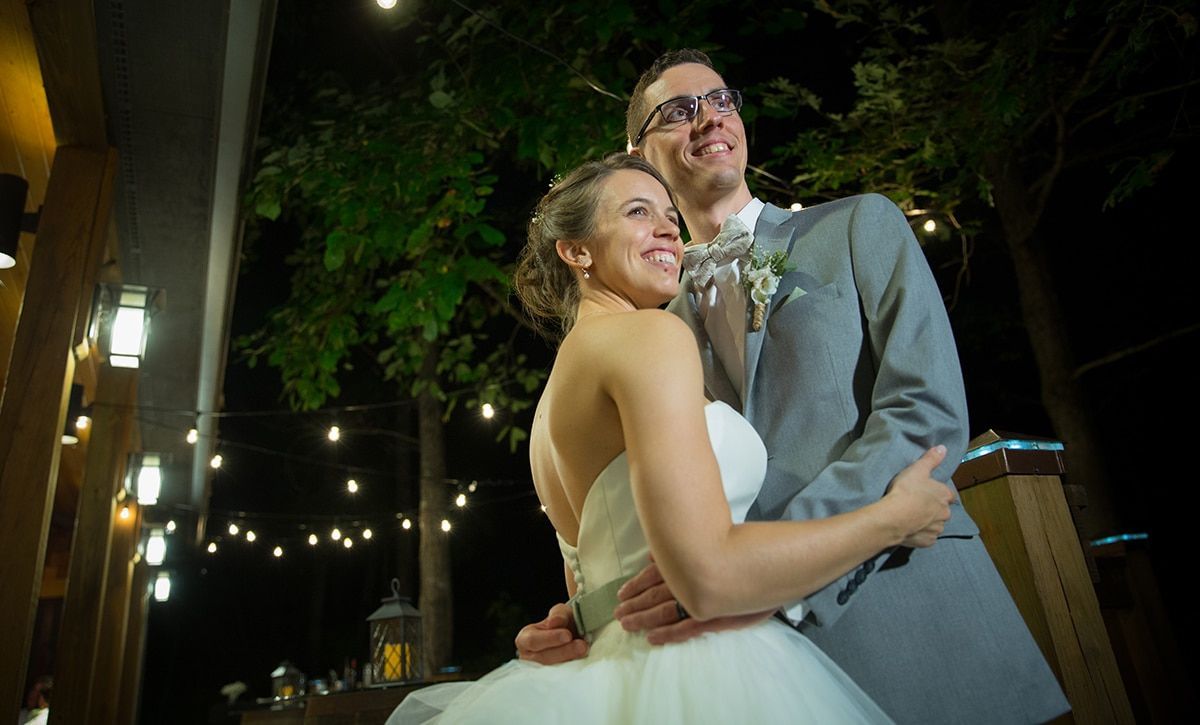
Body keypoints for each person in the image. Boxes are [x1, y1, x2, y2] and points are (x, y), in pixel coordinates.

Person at [517, 50, 1069, 723]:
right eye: (679, 110)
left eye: (722, 101)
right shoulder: (644, 324)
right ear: (637, 151)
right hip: (733, 664)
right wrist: (587, 611)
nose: (710, 118)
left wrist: (754, 571)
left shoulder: (859, 224)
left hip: (908, 610)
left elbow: (923, 414)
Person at [390, 154, 959, 724]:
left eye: (668, 213)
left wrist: (578, 614)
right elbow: (710, 578)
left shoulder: (554, 398)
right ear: (576, 250)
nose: (668, 227)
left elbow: (600, 583)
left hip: (611, 670)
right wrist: (895, 518)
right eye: (639, 212)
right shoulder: (651, 336)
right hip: (695, 671)